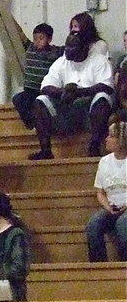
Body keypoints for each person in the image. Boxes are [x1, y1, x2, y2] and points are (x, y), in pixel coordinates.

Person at [30, 31, 115, 160]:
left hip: (89, 111)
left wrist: (79, 92)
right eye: (67, 46)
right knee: (40, 100)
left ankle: (94, 146)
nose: (68, 50)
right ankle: (46, 150)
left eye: (73, 46)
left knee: (103, 97)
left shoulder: (99, 60)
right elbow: (45, 87)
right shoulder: (61, 62)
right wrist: (64, 92)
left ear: (84, 47)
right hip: (65, 111)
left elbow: (107, 86)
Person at [86, 122, 127, 262]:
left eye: (111, 136)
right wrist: (108, 207)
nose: (106, 139)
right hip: (111, 207)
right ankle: (99, 266)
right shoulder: (104, 162)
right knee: (94, 224)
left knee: (123, 223)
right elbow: (100, 192)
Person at [12, 23, 64, 129]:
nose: (37, 42)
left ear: (49, 39)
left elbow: (71, 48)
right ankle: (31, 124)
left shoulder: (56, 51)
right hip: (30, 90)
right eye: (35, 39)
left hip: (44, 90)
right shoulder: (30, 48)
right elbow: (19, 33)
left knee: (41, 105)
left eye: (41, 38)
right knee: (17, 99)